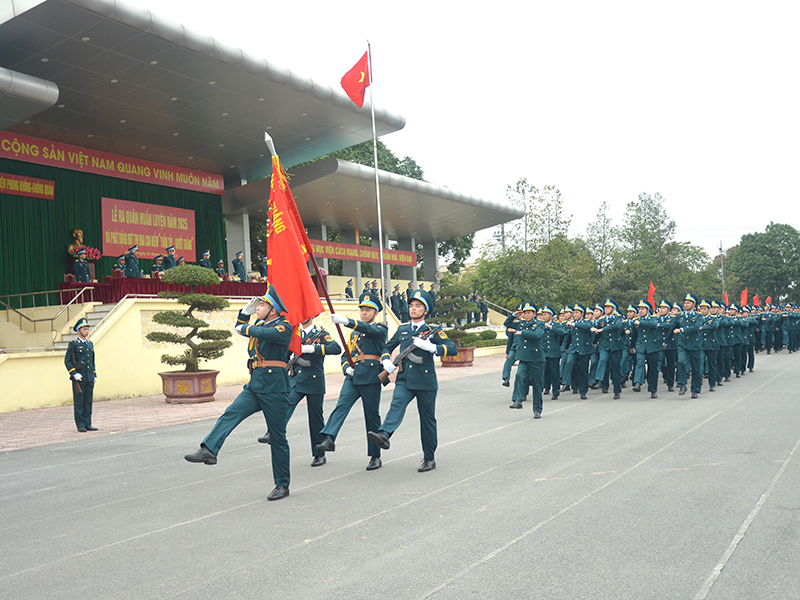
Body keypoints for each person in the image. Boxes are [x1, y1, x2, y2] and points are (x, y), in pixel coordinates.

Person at [184, 286, 293, 501]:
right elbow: (241, 326)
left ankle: (282, 484)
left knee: (278, 438)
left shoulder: (284, 326)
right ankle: (209, 450)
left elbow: (257, 332)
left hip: (275, 388)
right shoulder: (260, 323)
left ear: (273, 310)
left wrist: (245, 327)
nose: (257, 308)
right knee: (231, 413)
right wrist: (244, 312)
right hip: (256, 384)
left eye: (261, 305)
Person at [368, 290, 456, 472]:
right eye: (411, 306)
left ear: (425, 310)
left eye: (418, 306)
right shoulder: (403, 329)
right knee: (397, 403)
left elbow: (452, 348)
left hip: (426, 382)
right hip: (405, 379)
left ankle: (429, 458)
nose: (413, 309)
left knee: (427, 420)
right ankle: (384, 433)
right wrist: (386, 360)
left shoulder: (432, 331)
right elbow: (387, 346)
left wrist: (432, 347)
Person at [316, 292, 388, 470]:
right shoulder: (355, 334)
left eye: (368, 310)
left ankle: (375, 456)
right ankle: (329, 438)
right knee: (341, 406)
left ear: (376, 312)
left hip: (371, 377)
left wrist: (346, 321)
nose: (363, 313)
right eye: (362, 309)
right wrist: (346, 368)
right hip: (353, 377)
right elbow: (346, 355)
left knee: (371, 416)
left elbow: (369, 329)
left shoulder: (380, 328)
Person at [258, 317, 341, 467]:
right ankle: (272, 432)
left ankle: (319, 455)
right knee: (284, 405)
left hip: (314, 381)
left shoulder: (321, 334)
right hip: (296, 378)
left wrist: (313, 349)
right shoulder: (294, 334)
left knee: (315, 419)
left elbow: (336, 348)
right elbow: (286, 354)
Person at [504, 301, 546, 417]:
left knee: (537, 385)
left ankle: (537, 409)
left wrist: (522, 332)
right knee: (519, 376)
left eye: (529, 313)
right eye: (525, 313)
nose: (526, 315)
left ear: (534, 314)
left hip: (536, 359)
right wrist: (514, 315)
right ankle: (517, 400)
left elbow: (536, 335)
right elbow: (506, 323)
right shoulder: (520, 323)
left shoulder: (539, 324)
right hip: (524, 358)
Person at [64, 317, 97, 432]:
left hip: (89, 377)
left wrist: (94, 374)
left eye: (87, 329)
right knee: (79, 402)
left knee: (88, 401)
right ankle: (80, 424)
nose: (86, 331)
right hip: (79, 378)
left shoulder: (90, 344)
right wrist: (74, 373)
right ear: (79, 331)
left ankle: (88, 423)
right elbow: (67, 361)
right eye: (84, 329)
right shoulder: (73, 345)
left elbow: (92, 361)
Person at [592, 298, 624, 399]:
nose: (606, 309)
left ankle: (617, 390)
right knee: (603, 359)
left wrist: (603, 329)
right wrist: (594, 342)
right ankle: (599, 380)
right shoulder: (601, 320)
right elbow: (598, 332)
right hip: (605, 345)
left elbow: (617, 326)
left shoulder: (618, 318)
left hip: (616, 346)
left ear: (613, 309)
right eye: (605, 307)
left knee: (615, 368)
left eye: (608, 307)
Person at [675, 293, 704, 398]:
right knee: (681, 362)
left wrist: (682, 330)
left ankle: (695, 389)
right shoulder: (680, 316)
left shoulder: (698, 316)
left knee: (696, 368)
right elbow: (672, 328)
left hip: (694, 344)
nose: (686, 305)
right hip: (682, 344)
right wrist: (665, 341)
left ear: (694, 304)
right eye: (685, 303)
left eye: (688, 303)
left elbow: (696, 327)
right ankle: (682, 384)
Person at [539, 305, 564, 400]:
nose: (544, 316)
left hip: (554, 352)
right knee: (544, 371)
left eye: (546, 314)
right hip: (544, 352)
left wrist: (550, 327)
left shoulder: (556, 324)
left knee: (554, 373)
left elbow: (561, 333)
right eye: (543, 315)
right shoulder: (540, 324)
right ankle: (546, 387)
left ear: (551, 315)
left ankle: (555, 391)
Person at [697, 299, 719, 392]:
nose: (703, 310)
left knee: (712, 365)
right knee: (699, 363)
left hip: (711, 344)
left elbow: (715, 326)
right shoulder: (697, 318)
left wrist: (703, 327)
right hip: (700, 344)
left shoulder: (714, 318)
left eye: (705, 308)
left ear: (709, 310)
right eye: (701, 308)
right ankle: (699, 380)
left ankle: (712, 383)